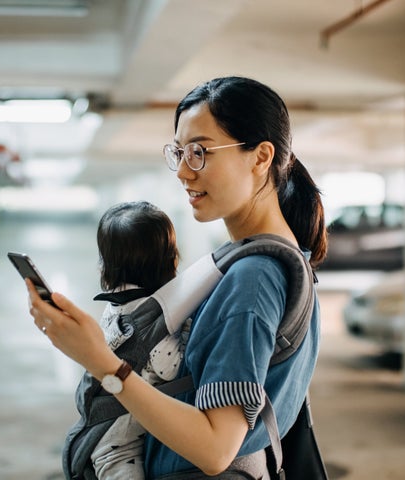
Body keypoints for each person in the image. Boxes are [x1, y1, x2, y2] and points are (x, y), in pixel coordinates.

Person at [26, 76, 327, 478]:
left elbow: (216, 448)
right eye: (180, 152)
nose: (184, 172)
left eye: (200, 152)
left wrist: (100, 361)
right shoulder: (281, 260)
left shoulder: (254, 277)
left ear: (260, 157)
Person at [90, 200, 182, 480]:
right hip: (120, 450)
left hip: (106, 435)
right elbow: (172, 367)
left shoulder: (116, 305)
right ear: (168, 261)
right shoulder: (150, 321)